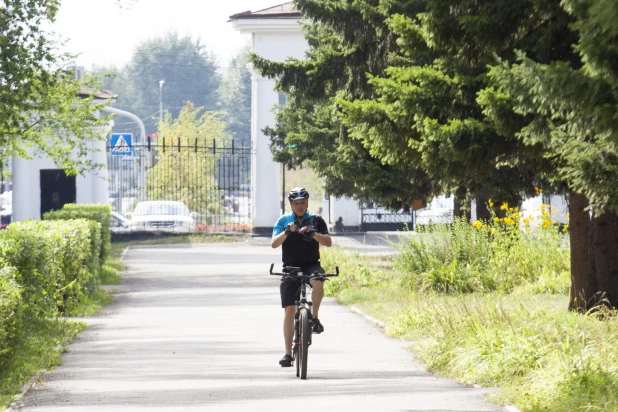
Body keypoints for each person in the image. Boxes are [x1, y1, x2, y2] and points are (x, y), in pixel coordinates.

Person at [271, 187, 332, 367]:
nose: (300, 206)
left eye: (303, 203)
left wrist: (313, 234)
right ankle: (288, 354)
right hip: (290, 266)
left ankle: (313, 318)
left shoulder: (316, 220)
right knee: (289, 310)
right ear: (291, 204)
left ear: (307, 203)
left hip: (311, 264)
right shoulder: (283, 220)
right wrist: (287, 232)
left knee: (318, 281)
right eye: (296, 203)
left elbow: (328, 242)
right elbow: (274, 244)